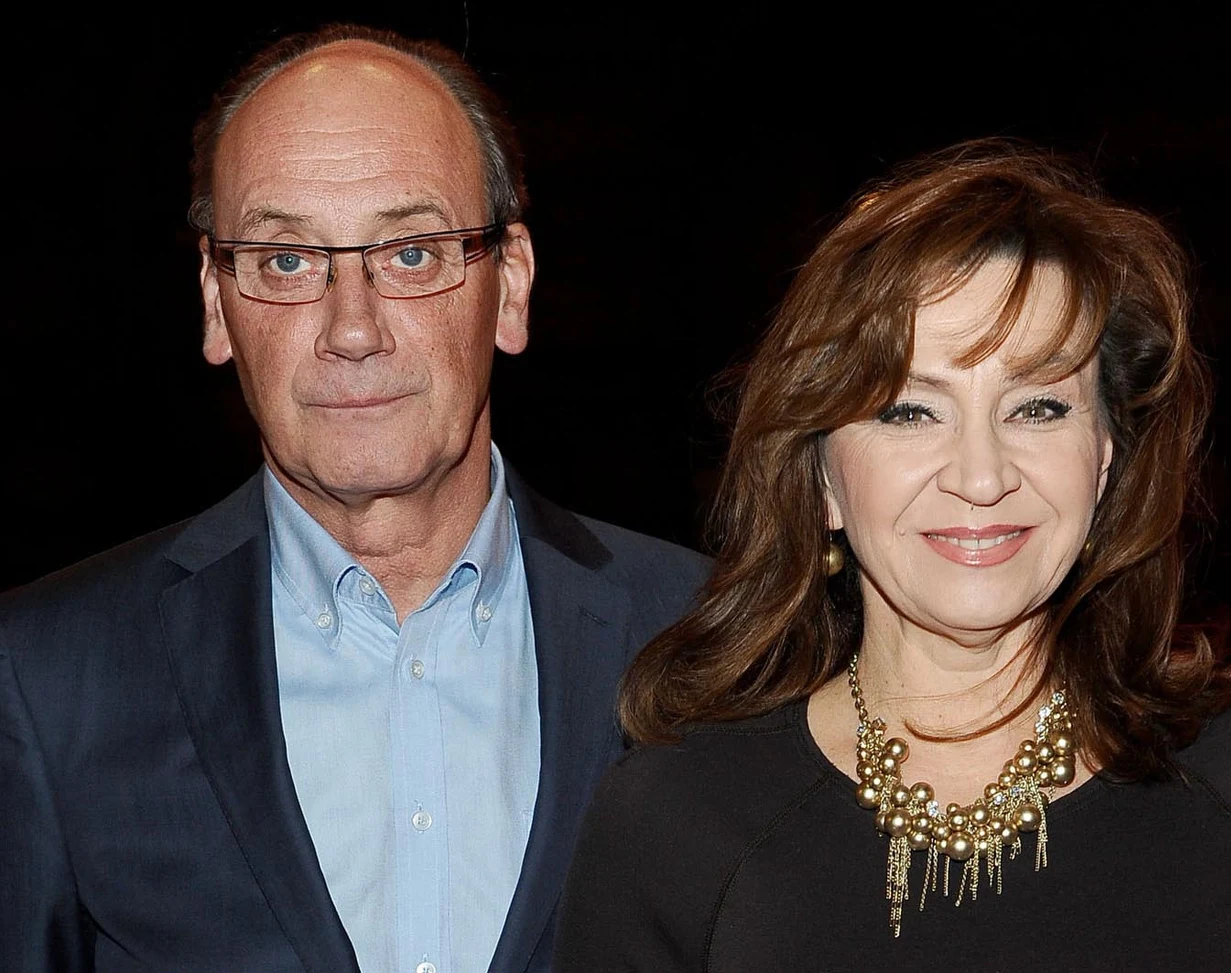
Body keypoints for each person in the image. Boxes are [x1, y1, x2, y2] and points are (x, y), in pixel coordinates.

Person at [554, 142, 1231, 972]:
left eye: (1037, 407)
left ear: (1105, 460)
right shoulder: (673, 823)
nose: (982, 477)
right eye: (910, 412)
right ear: (823, 478)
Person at [0, 24, 707, 973]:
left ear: (510, 286)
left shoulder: (716, 639)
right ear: (215, 301)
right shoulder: (47, 680)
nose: (353, 328)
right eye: (287, 261)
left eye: (411, 253)